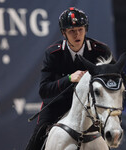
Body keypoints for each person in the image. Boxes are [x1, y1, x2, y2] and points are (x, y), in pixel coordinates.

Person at [25, 7, 116, 150]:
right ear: (64, 33)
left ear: (86, 30)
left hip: (90, 107)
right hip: (58, 105)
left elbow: (117, 77)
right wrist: (69, 78)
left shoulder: (101, 51)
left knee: (111, 133)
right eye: (71, 31)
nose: (77, 34)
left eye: (80, 29)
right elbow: (44, 90)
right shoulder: (53, 53)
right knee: (37, 137)